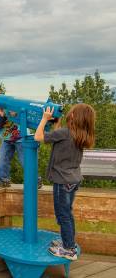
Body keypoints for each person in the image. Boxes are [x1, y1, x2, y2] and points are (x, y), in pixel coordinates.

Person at [34, 104, 96, 261]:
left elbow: (38, 137)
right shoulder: (79, 134)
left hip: (62, 181)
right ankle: (69, 242)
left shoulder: (64, 133)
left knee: (63, 215)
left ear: (74, 116)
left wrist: (44, 119)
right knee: (67, 213)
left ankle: (68, 250)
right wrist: (57, 124)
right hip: (73, 180)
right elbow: (59, 137)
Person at [0, 87, 43, 189]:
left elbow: (21, 115)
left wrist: (15, 114)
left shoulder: (7, 108)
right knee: (2, 160)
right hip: (7, 140)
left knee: (25, 160)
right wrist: (2, 117)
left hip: (21, 137)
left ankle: (35, 180)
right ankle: (3, 180)